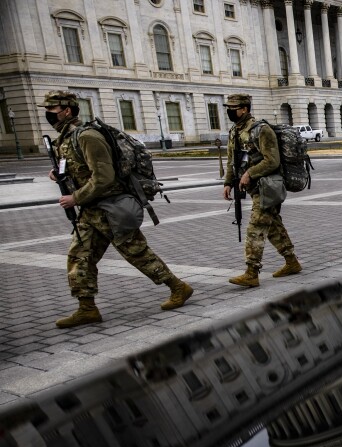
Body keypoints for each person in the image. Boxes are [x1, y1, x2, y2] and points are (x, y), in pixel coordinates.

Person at [42, 90, 193, 328]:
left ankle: (178, 287)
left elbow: (104, 177)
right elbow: (82, 169)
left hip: (110, 209)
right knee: (79, 256)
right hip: (91, 211)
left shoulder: (87, 136)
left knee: (137, 253)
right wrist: (61, 175)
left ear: (67, 110)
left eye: (51, 111)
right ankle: (87, 308)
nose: (48, 115)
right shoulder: (66, 138)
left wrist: (75, 197)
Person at [223, 94, 301, 287]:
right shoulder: (235, 131)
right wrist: (227, 182)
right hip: (253, 188)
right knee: (274, 227)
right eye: (229, 108)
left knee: (255, 228)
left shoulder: (262, 130)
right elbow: (231, 159)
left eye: (234, 108)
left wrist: (250, 172)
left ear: (245, 109)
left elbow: (272, 161)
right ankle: (292, 262)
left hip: (267, 187)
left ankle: (251, 272)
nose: (230, 112)